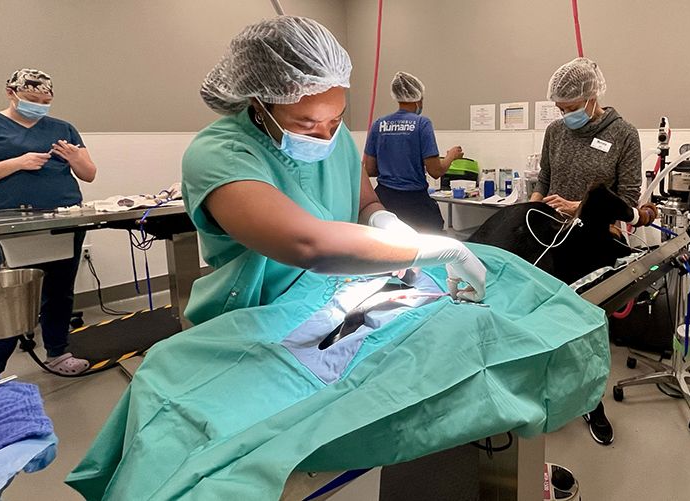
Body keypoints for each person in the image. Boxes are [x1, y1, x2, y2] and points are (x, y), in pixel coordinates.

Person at [182, 16, 486, 328]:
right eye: (307, 124)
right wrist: (438, 248)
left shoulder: (336, 139)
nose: (327, 137)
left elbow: (365, 203)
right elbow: (307, 244)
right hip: (255, 319)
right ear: (259, 103)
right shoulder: (218, 155)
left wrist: (386, 223)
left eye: (336, 120)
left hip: (329, 301)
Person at [0, 68, 97, 376]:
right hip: (13, 223)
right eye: (32, 98)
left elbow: (88, 173)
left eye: (45, 100)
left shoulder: (63, 128)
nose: (39, 105)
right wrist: (18, 162)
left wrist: (74, 158)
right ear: (11, 93)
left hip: (64, 218)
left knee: (60, 290)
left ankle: (57, 353)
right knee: (9, 297)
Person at [530, 57, 643, 446]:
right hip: (553, 240)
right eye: (560, 110)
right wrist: (532, 207)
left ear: (592, 97)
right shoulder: (555, 132)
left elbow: (626, 200)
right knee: (547, 322)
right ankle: (548, 394)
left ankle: (592, 403)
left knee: (589, 329)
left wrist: (577, 206)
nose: (565, 116)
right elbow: (543, 179)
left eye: (570, 108)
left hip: (594, 245)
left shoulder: (624, 135)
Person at [363, 72, 463, 233]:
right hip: (414, 204)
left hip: (384, 200)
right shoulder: (422, 124)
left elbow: (369, 169)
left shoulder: (379, 124)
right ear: (418, 98)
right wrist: (451, 156)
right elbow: (435, 171)